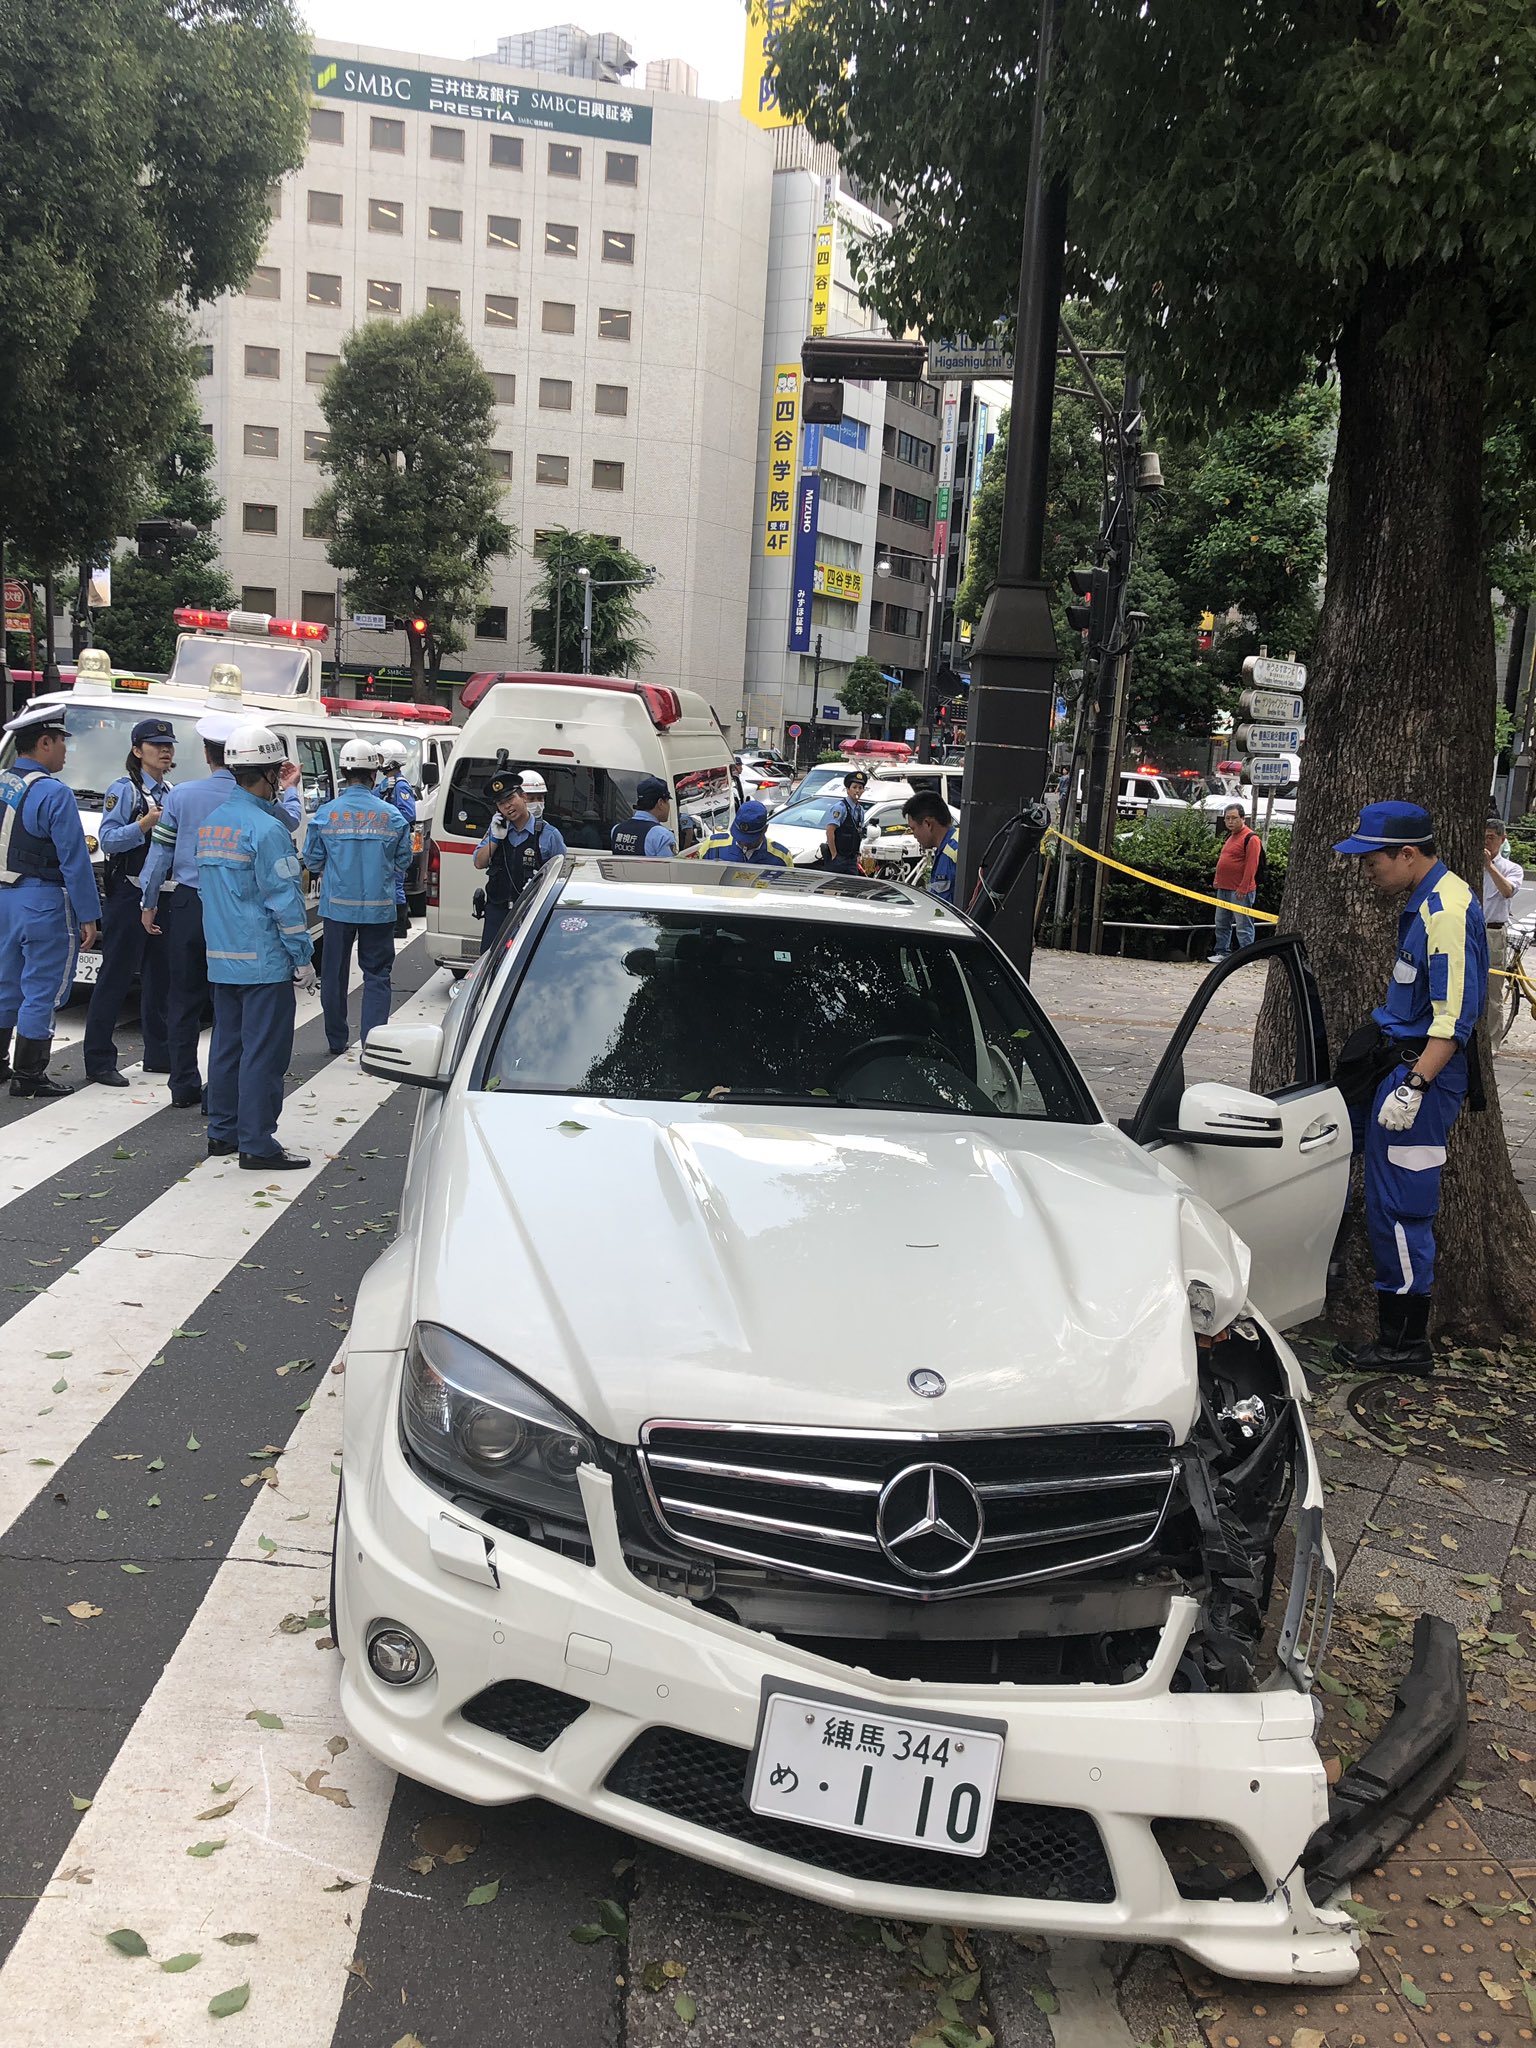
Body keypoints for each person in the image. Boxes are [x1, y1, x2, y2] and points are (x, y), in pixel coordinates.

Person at [1332, 801, 1488, 1374]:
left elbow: (1453, 1018)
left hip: (1422, 1079)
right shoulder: (1430, 900)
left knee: (1402, 1209)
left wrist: (1415, 1085)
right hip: (1406, 1072)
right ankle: (1399, 1336)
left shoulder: (1444, 910)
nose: (1365, 869)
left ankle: (1403, 1344)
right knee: (1390, 1203)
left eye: (1371, 858)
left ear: (1406, 854)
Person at [198, 721, 316, 1170]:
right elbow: (285, 902)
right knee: (264, 1056)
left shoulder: (212, 825)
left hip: (222, 960)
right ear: (270, 773)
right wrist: (303, 958)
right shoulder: (267, 832)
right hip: (263, 963)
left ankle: (222, 1133)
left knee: (227, 1049)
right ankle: (258, 1143)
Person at [0, 702, 101, 1097]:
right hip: (41, 901)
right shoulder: (53, 793)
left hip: (3, 899)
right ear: (44, 743)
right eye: (62, 743)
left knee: (5, 982)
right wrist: (89, 914)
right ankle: (30, 1074)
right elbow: (74, 860)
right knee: (41, 987)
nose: (65, 751)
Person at [302, 739, 413, 1055]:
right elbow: (403, 860)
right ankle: (373, 1042)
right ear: (374, 775)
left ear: (342, 772)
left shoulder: (326, 814)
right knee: (377, 974)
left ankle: (337, 1040)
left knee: (334, 975)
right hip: (379, 909)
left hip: (337, 909)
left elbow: (312, 861)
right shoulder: (392, 816)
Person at [82, 717, 177, 1086]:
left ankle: (159, 1053)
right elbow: (107, 840)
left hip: (161, 893)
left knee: (160, 977)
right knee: (116, 975)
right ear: (138, 751)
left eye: (169, 745)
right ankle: (99, 1060)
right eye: (156, 745)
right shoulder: (125, 790)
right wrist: (143, 826)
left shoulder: (171, 791)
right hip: (128, 894)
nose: (165, 751)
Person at [473, 768, 567, 953]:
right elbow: (479, 862)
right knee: (490, 965)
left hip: (532, 914)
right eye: (501, 804)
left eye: (510, 799)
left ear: (523, 796)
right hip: (498, 914)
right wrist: (495, 839)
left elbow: (562, 877)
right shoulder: (496, 830)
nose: (508, 807)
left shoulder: (549, 835)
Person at [1209, 803, 1262, 962]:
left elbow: (1252, 865)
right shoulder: (1230, 836)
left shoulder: (1251, 838)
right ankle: (1222, 952)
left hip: (1240, 890)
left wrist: (1244, 887)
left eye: (1234, 818)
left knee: (1243, 925)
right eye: (1227, 818)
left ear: (1242, 819)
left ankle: (1247, 956)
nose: (1230, 822)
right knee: (1221, 922)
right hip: (1224, 888)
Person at [376, 738, 416, 939]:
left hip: (396, 842)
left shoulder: (400, 786)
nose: (378, 760)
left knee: (396, 882)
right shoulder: (386, 785)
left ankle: (399, 925)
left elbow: (408, 814)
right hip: (388, 841)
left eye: (382, 757)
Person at [902, 791, 960, 903]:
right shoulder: (946, 848)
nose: (914, 835)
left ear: (928, 824)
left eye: (913, 829)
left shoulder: (954, 853)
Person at [1482, 815, 1523, 973]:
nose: (1486, 841)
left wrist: (1489, 866)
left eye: (1491, 837)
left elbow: (1507, 891)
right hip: (1469, 930)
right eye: (1484, 837)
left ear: (1502, 839)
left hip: (1493, 931)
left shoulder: (1511, 868)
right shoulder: (1470, 864)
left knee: (1493, 981)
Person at [697, 798, 792, 866]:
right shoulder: (711, 847)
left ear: (765, 829)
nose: (744, 843)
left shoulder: (781, 857)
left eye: (750, 840)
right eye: (739, 837)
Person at [610, 776, 677, 857]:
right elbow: (669, 869)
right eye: (667, 801)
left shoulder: (616, 830)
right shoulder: (663, 836)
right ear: (660, 803)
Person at [823, 769, 869, 874]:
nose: (857, 791)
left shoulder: (860, 810)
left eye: (860, 788)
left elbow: (858, 833)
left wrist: (857, 855)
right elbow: (830, 831)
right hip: (839, 857)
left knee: (852, 886)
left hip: (851, 859)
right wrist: (834, 854)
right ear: (848, 790)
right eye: (854, 787)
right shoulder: (840, 807)